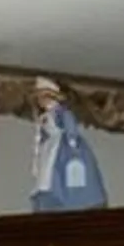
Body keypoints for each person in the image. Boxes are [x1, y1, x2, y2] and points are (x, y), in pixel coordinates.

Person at [30, 78, 108, 211]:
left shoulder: (61, 112)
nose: (42, 101)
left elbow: (69, 124)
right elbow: (42, 135)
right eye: (40, 98)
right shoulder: (45, 117)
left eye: (45, 97)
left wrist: (72, 141)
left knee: (66, 173)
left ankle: (74, 199)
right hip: (51, 146)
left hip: (62, 146)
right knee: (48, 173)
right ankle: (50, 198)